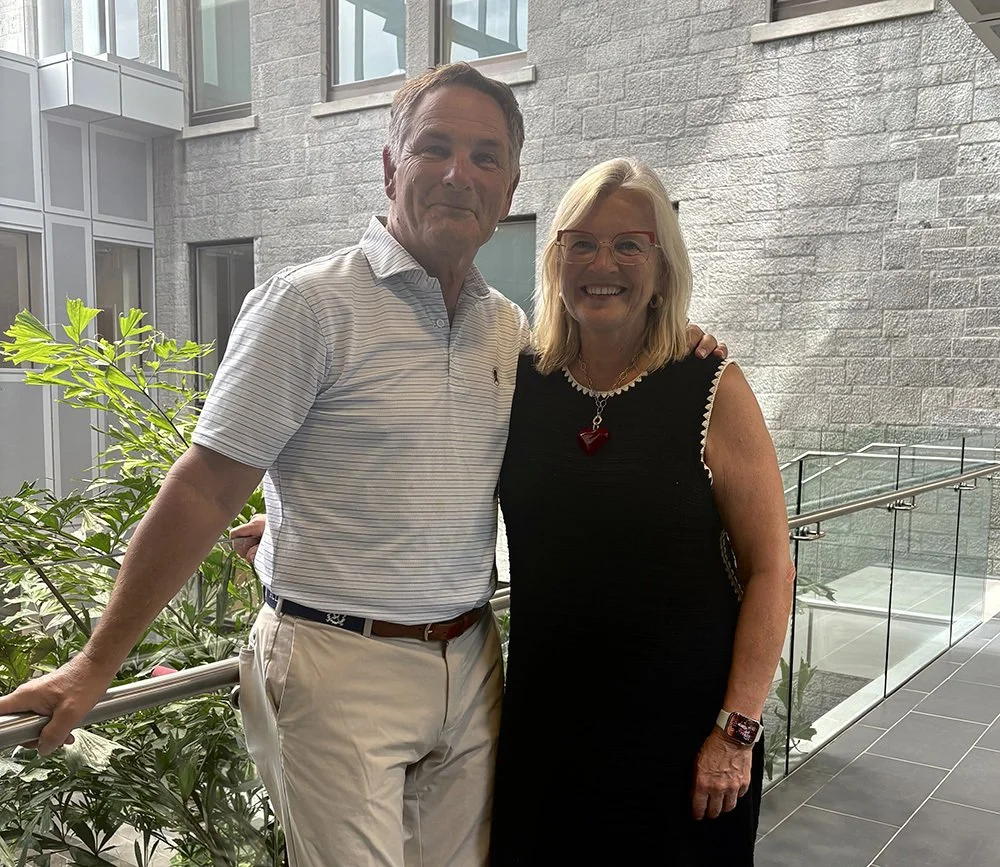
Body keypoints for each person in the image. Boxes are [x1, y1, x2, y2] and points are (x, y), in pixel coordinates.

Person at [0, 66, 723, 867]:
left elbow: (454, 462)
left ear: (511, 184)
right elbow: (204, 486)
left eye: (486, 157)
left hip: (471, 661)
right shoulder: (309, 304)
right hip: (338, 667)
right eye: (435, 147)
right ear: (390, 165)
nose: (460, 173)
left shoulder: (505, 328)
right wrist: (96, 664)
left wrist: (682, 343)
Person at [487, 159, 794, 866]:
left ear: (662, 264)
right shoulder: (522, 382)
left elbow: (773, 569)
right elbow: (431, 472)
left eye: (631, 243)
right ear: (557, 257)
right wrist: (302, 526)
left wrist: (736, 731)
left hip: (689, 748)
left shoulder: (712, 384)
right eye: (583, 242)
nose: (604, 263)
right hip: (547, 733)